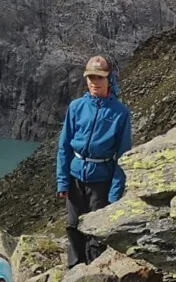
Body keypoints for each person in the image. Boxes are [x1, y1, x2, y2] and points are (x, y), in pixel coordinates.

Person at [56, 56, 132, 267]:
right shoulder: (76, 107)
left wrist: (115, 192)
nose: (94, 82)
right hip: (75, 177)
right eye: (90, 77)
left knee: (96, 231)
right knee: (73, 226)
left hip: (101, 179)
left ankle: (94, 271)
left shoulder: (120, 113)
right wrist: (63, 181)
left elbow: (123, 154)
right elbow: (64, 146)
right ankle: (75, 269)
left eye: (99, 77)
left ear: (109, 79)